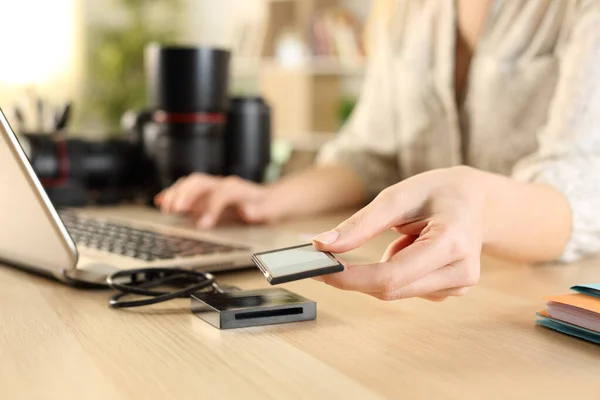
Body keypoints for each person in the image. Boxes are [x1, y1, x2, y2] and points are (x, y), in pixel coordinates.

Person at [155, 0, 600, 301]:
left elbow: (583, 190)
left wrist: (477, 205)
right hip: (433, 316)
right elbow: (370, 155)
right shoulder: (407, 9)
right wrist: (268, 199)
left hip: (545, 300)